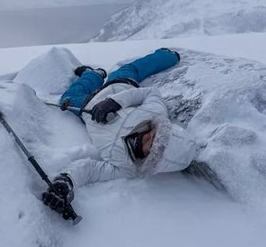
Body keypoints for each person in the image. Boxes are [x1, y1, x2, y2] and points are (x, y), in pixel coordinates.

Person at [42, 48, 199, 214]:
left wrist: (66, 182)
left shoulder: (127, 167)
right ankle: (167, 56)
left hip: (87, 108)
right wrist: (115, 102)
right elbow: (150, 93)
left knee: (69, 97)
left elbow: (90, 170)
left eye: (152, 147)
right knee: (133, 69)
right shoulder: (155, 113)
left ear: (154, 160)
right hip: (118, 87)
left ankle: (91, 74)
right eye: (154, 135)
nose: (147, 138)